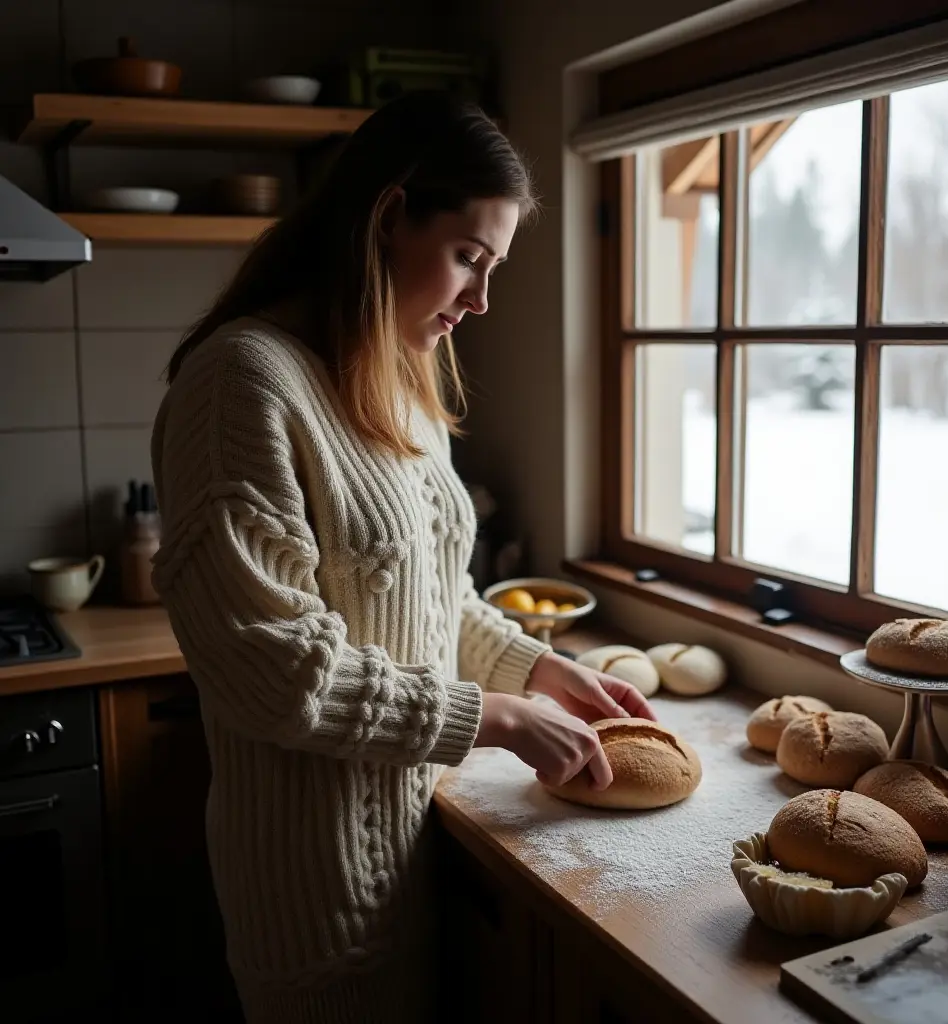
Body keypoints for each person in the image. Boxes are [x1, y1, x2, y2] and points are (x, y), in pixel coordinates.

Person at [151, 90, 655, 1023]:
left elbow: (431, 592)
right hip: (313, 901)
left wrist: (539, 669)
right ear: (387, 218)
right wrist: (494, 718)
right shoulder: (242, 385)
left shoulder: (398, 379)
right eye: (469, 257)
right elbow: (275, 670)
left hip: (411, 860)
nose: (482, 299)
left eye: (493, 266)